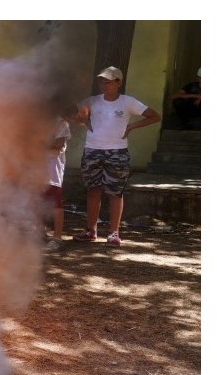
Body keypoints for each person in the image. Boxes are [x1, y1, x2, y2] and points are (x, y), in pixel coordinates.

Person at [68, 66, 160, 247]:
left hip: (117, 152)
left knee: (115, 192)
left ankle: (113, 233)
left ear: (119, 82)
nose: (104, 85)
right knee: (93, 190)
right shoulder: (92, 101)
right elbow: (67, 112)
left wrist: (132, 127)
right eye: (102, 81)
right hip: (92, 150)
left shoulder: (128, 102)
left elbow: (154, 116)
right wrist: (82, 120)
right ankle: (91, 230)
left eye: (108, 82)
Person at [45, 115, 72, 251]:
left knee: (55, 200)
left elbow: (58, 144)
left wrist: (34, 144)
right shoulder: (33, 119)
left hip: (52, 165)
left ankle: (57, 237)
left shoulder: (61, 122)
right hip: (35, 164)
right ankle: (39, 232)